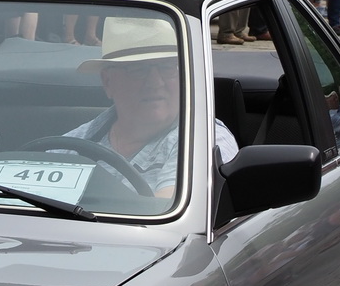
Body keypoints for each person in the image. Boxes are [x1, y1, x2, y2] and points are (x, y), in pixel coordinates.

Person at [60, 17, 236, 201]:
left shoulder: (203, 139)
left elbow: (167, 216)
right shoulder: (74, 142)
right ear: (108, 81)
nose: (155, 82)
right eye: (138, 69)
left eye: (168, 67)